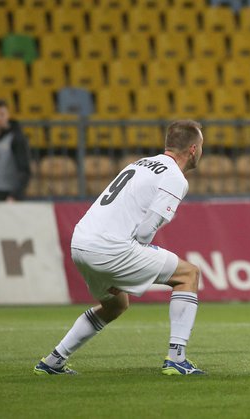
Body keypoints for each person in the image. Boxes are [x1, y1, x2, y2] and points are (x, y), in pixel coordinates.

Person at [34, 120, 206, 375]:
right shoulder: (174, 177)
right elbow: (146, 231)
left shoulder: (138, 164)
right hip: (109, 248)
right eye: (202, 146)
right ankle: (176, 359)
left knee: (115, 305)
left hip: (81, 243)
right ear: (193, 149)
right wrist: (123, 265)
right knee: (188, 274)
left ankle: (53, 361)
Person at [0, 99, 31, 201]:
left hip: (7, 195)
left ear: (8, 115)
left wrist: (14, 195)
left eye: (1, 114)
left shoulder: (17, 138)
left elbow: (24, 170)